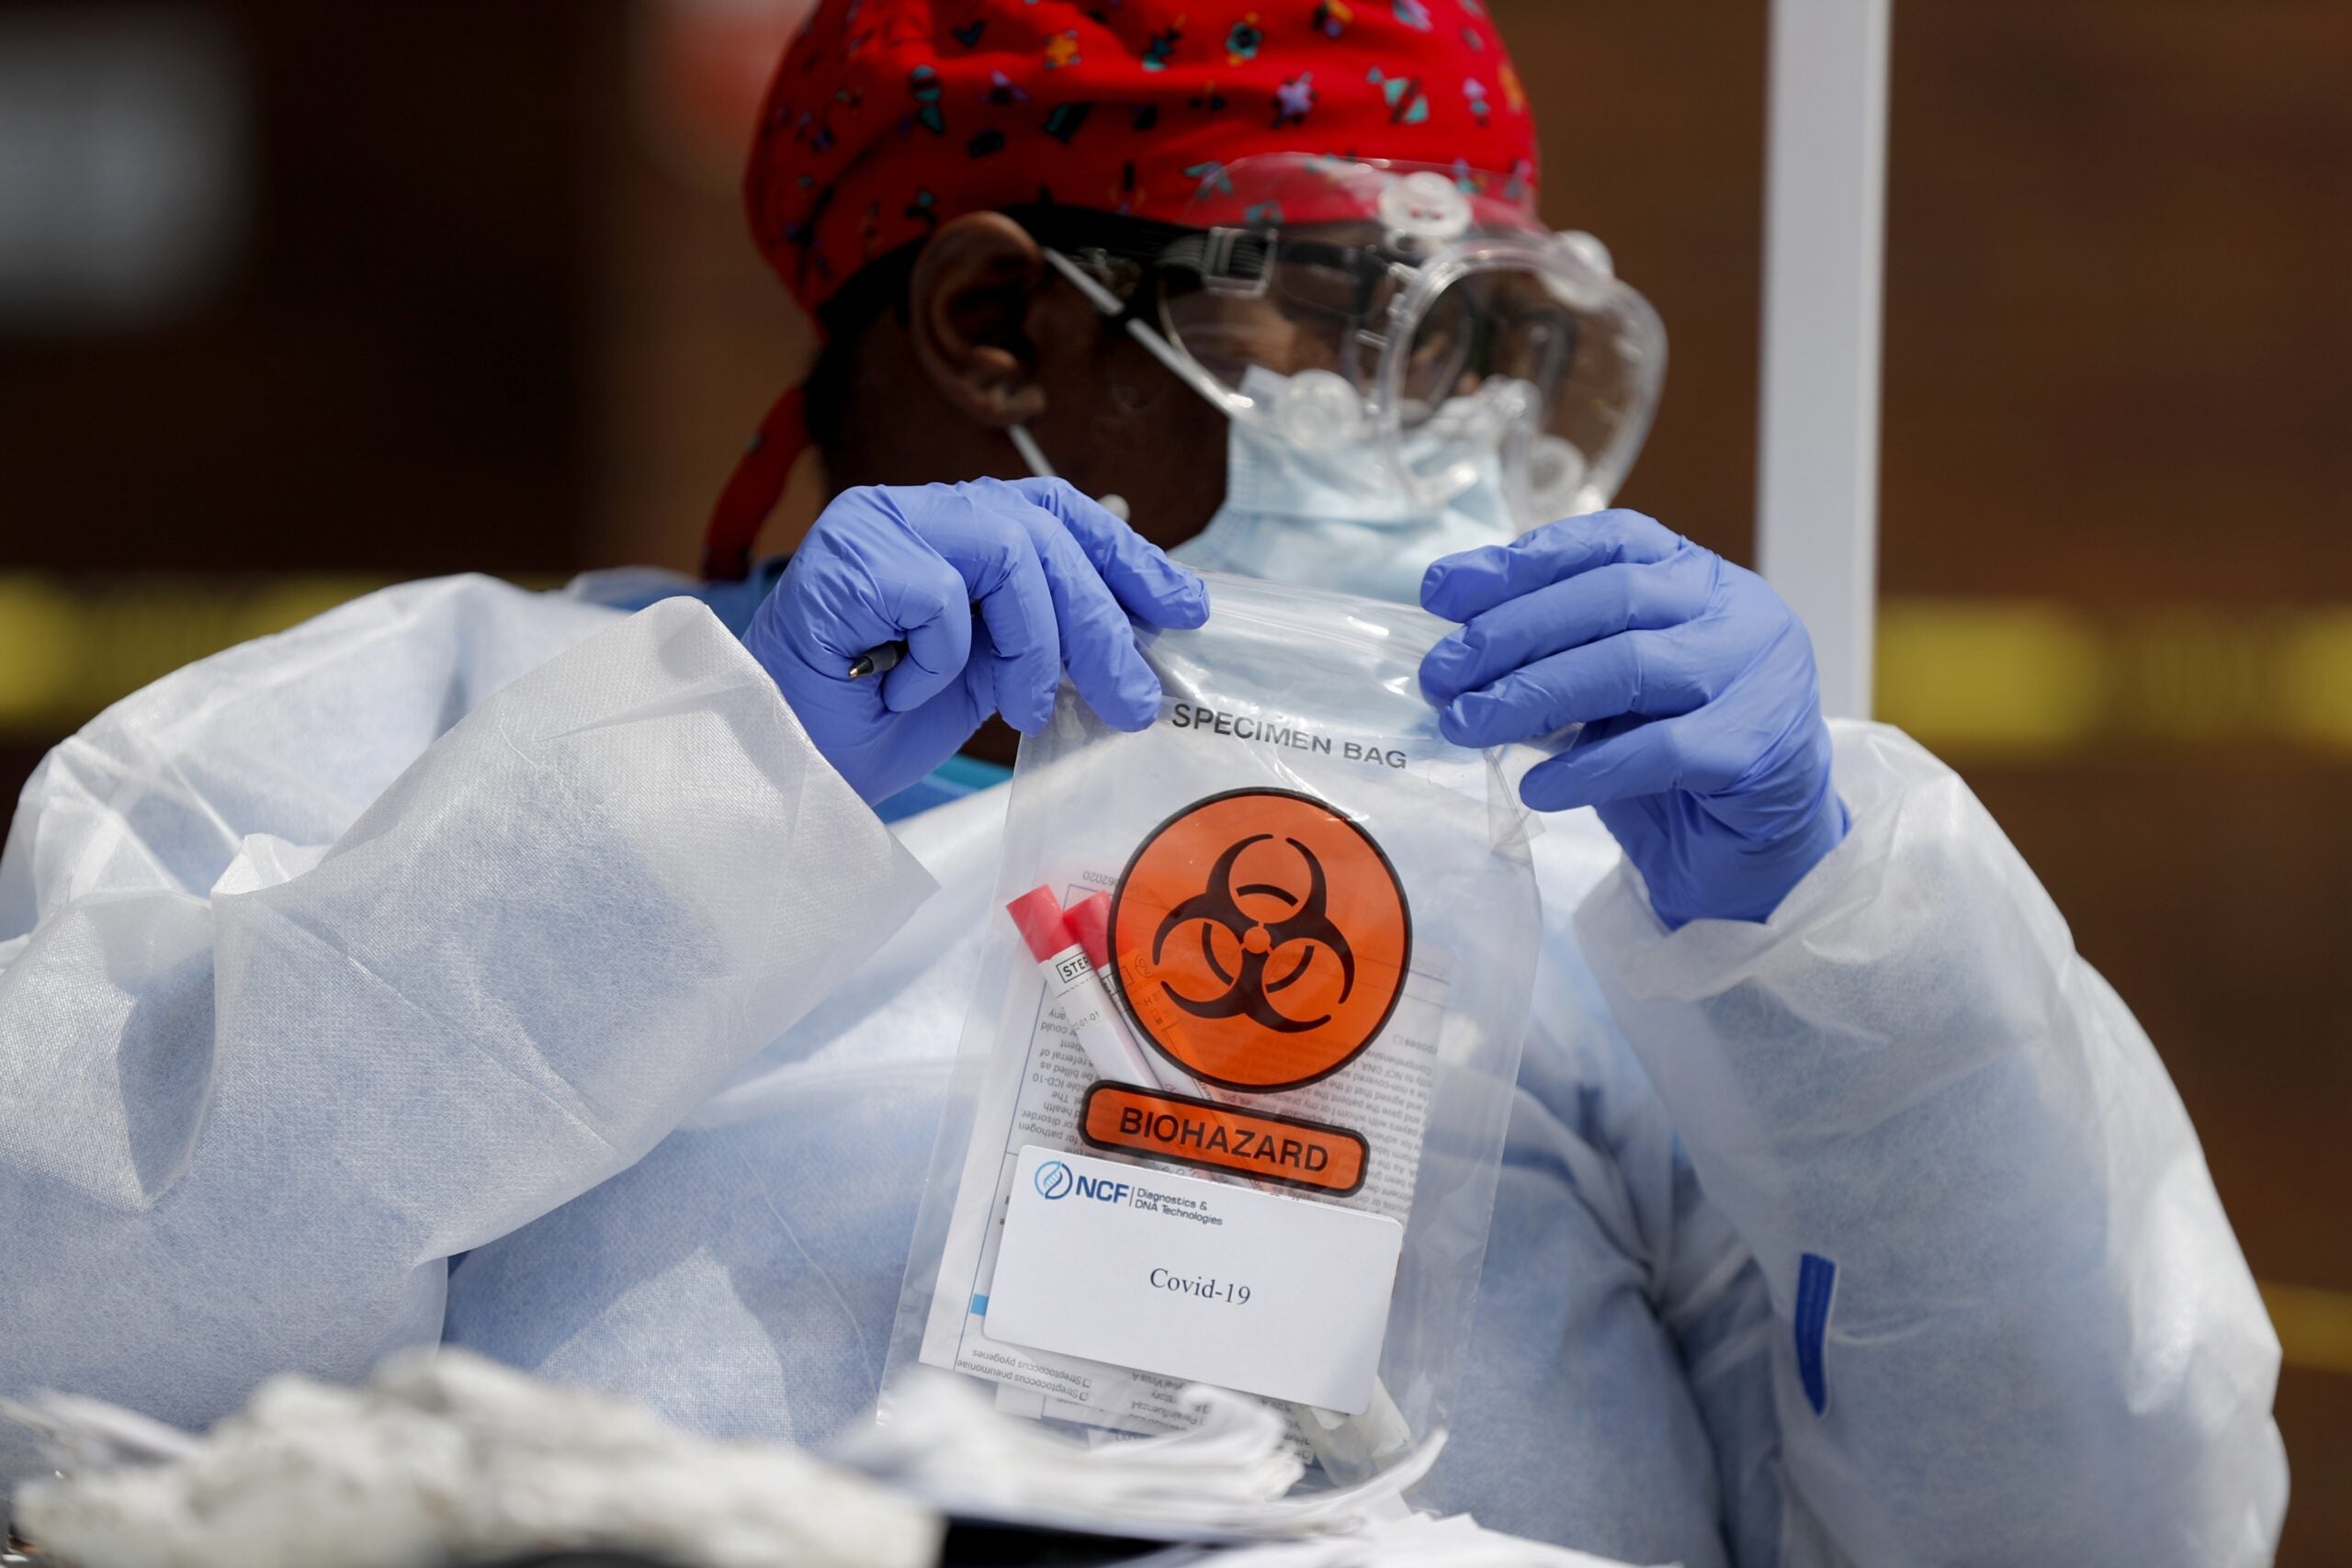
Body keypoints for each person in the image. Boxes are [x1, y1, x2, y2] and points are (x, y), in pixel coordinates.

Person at [0, 2, 2286, 1563]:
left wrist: (1842, 958)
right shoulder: (403, 733)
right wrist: (689, 806)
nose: (1457, 432)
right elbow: (73, 1329)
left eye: (1501, 345)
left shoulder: (1600, 850)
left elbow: (2095, 1513)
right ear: (996, 325)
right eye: (1362, 319)